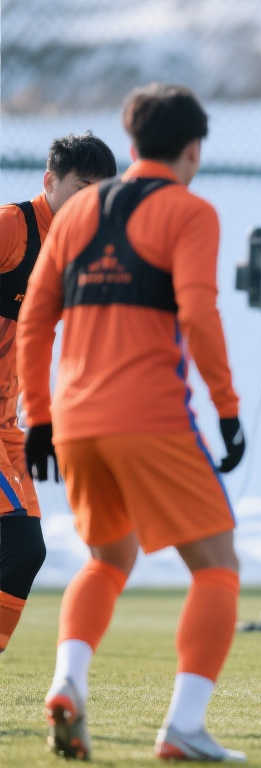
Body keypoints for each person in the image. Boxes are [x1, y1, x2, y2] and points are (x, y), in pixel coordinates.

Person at [17, 83, 247, 761]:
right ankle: (183, 726)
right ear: (193, 149)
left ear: (132, 141)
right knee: (217, 568)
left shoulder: (79, 211)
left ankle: (67, 682)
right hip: (151, 417)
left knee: (108, 559)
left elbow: (35, 320)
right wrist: (227, 409)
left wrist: (40, 420)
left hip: (76, 422)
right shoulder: (190, 211)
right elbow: (198, 314)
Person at [0, 133, 116, 658]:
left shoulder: (82, 253)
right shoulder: (12, 226)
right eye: (82, 188)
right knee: (20, 544)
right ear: (50, 181)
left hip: (9, 427)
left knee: (25, 553)